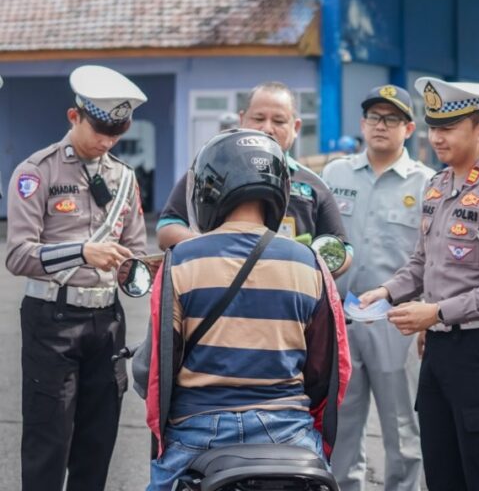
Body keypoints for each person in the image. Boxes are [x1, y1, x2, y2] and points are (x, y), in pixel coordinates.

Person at [135, 128, 349, 491]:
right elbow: (329, 369)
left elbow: (156, 369)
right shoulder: (310, 263)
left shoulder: (182, 260)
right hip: (288, 433)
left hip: (198, 434)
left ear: (208, 190)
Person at [358, 79, 479, 491]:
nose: (437, 137)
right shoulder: (437, 186)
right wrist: (386, 292)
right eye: (433, 127)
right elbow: (421, 263)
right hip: (440, 348)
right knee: (441, 472)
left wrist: (436, 312)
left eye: (449, 128)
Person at [4, 66, 148, 491]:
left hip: (107, 321)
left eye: (117, 132)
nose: (107, 141)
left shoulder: (125, 178)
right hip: (53, 319)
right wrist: (83, 252)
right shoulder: (37, 172)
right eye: (100, 129)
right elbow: (17, 254)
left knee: (97, 442)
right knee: (49, 442)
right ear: (74, 117)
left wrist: (135, 268)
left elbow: (136, 246)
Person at [322, 85, 432, 491]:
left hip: (396, 322)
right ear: (362, 124)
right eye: (373, 118)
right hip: (342, 319)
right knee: (342, 426)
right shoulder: (335, 174)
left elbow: (432, 259)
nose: (380, 126)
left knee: (402, 430)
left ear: (408, 128)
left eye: (391, 119)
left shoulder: (425, 183)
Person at [156, 81, 349, 262]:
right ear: (242, 119)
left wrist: (305, 267)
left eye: (279, 121)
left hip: (290, 294)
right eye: (258, 118)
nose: (267, 128)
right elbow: (167, 229)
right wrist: (213, 251)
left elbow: (343, 249)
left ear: (295, 127)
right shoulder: (209, 172)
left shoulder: (313, 186)